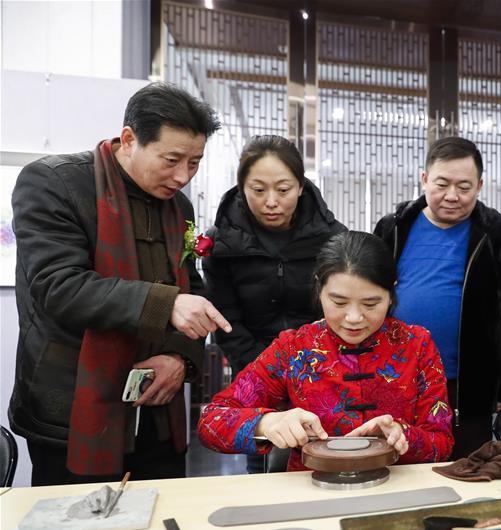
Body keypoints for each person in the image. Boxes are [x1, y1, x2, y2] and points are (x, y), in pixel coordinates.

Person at [10, 82, 231, 485]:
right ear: (129, 140)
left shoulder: (177, 204)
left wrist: (178, 359)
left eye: (195, 163)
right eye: (172, 159)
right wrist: (168, 305)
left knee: (159, 529)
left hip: (156, 409)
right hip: (75, 410)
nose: (183, 176)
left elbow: (191, 288)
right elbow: (58, 287)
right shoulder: (54, 183)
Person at [198, 231, 454, 468]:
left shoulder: (416, 345)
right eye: (339, 302)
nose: (354, 317)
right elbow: (212, 421)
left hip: (397, 491)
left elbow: (442, 444)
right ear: (319, 288)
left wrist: (403, 435)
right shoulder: (294, 349)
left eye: (371, 303)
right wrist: (267, 423)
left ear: (392, 292)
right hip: (312, 491)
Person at [373, 137, 501, 459]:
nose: (452, 196)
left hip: (467, 385)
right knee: (399, 468)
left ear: (479, 186)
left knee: (467, 471)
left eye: (464, 186)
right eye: (442, 183)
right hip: (398, 380)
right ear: (424, 179)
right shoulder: (393, 229)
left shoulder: (497, 235)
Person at [202, 135, 346, 472]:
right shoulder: (222, 243)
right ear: (241, 188)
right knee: (263, 462)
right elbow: (226, 319)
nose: (271, 201)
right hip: (255, 373)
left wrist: (308, 368)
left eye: (283, 190)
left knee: (321, 459)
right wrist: (264, 371)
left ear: (300, 186)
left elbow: (338, 309)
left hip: (319, 373)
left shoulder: (332, 238)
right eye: (258, 189)